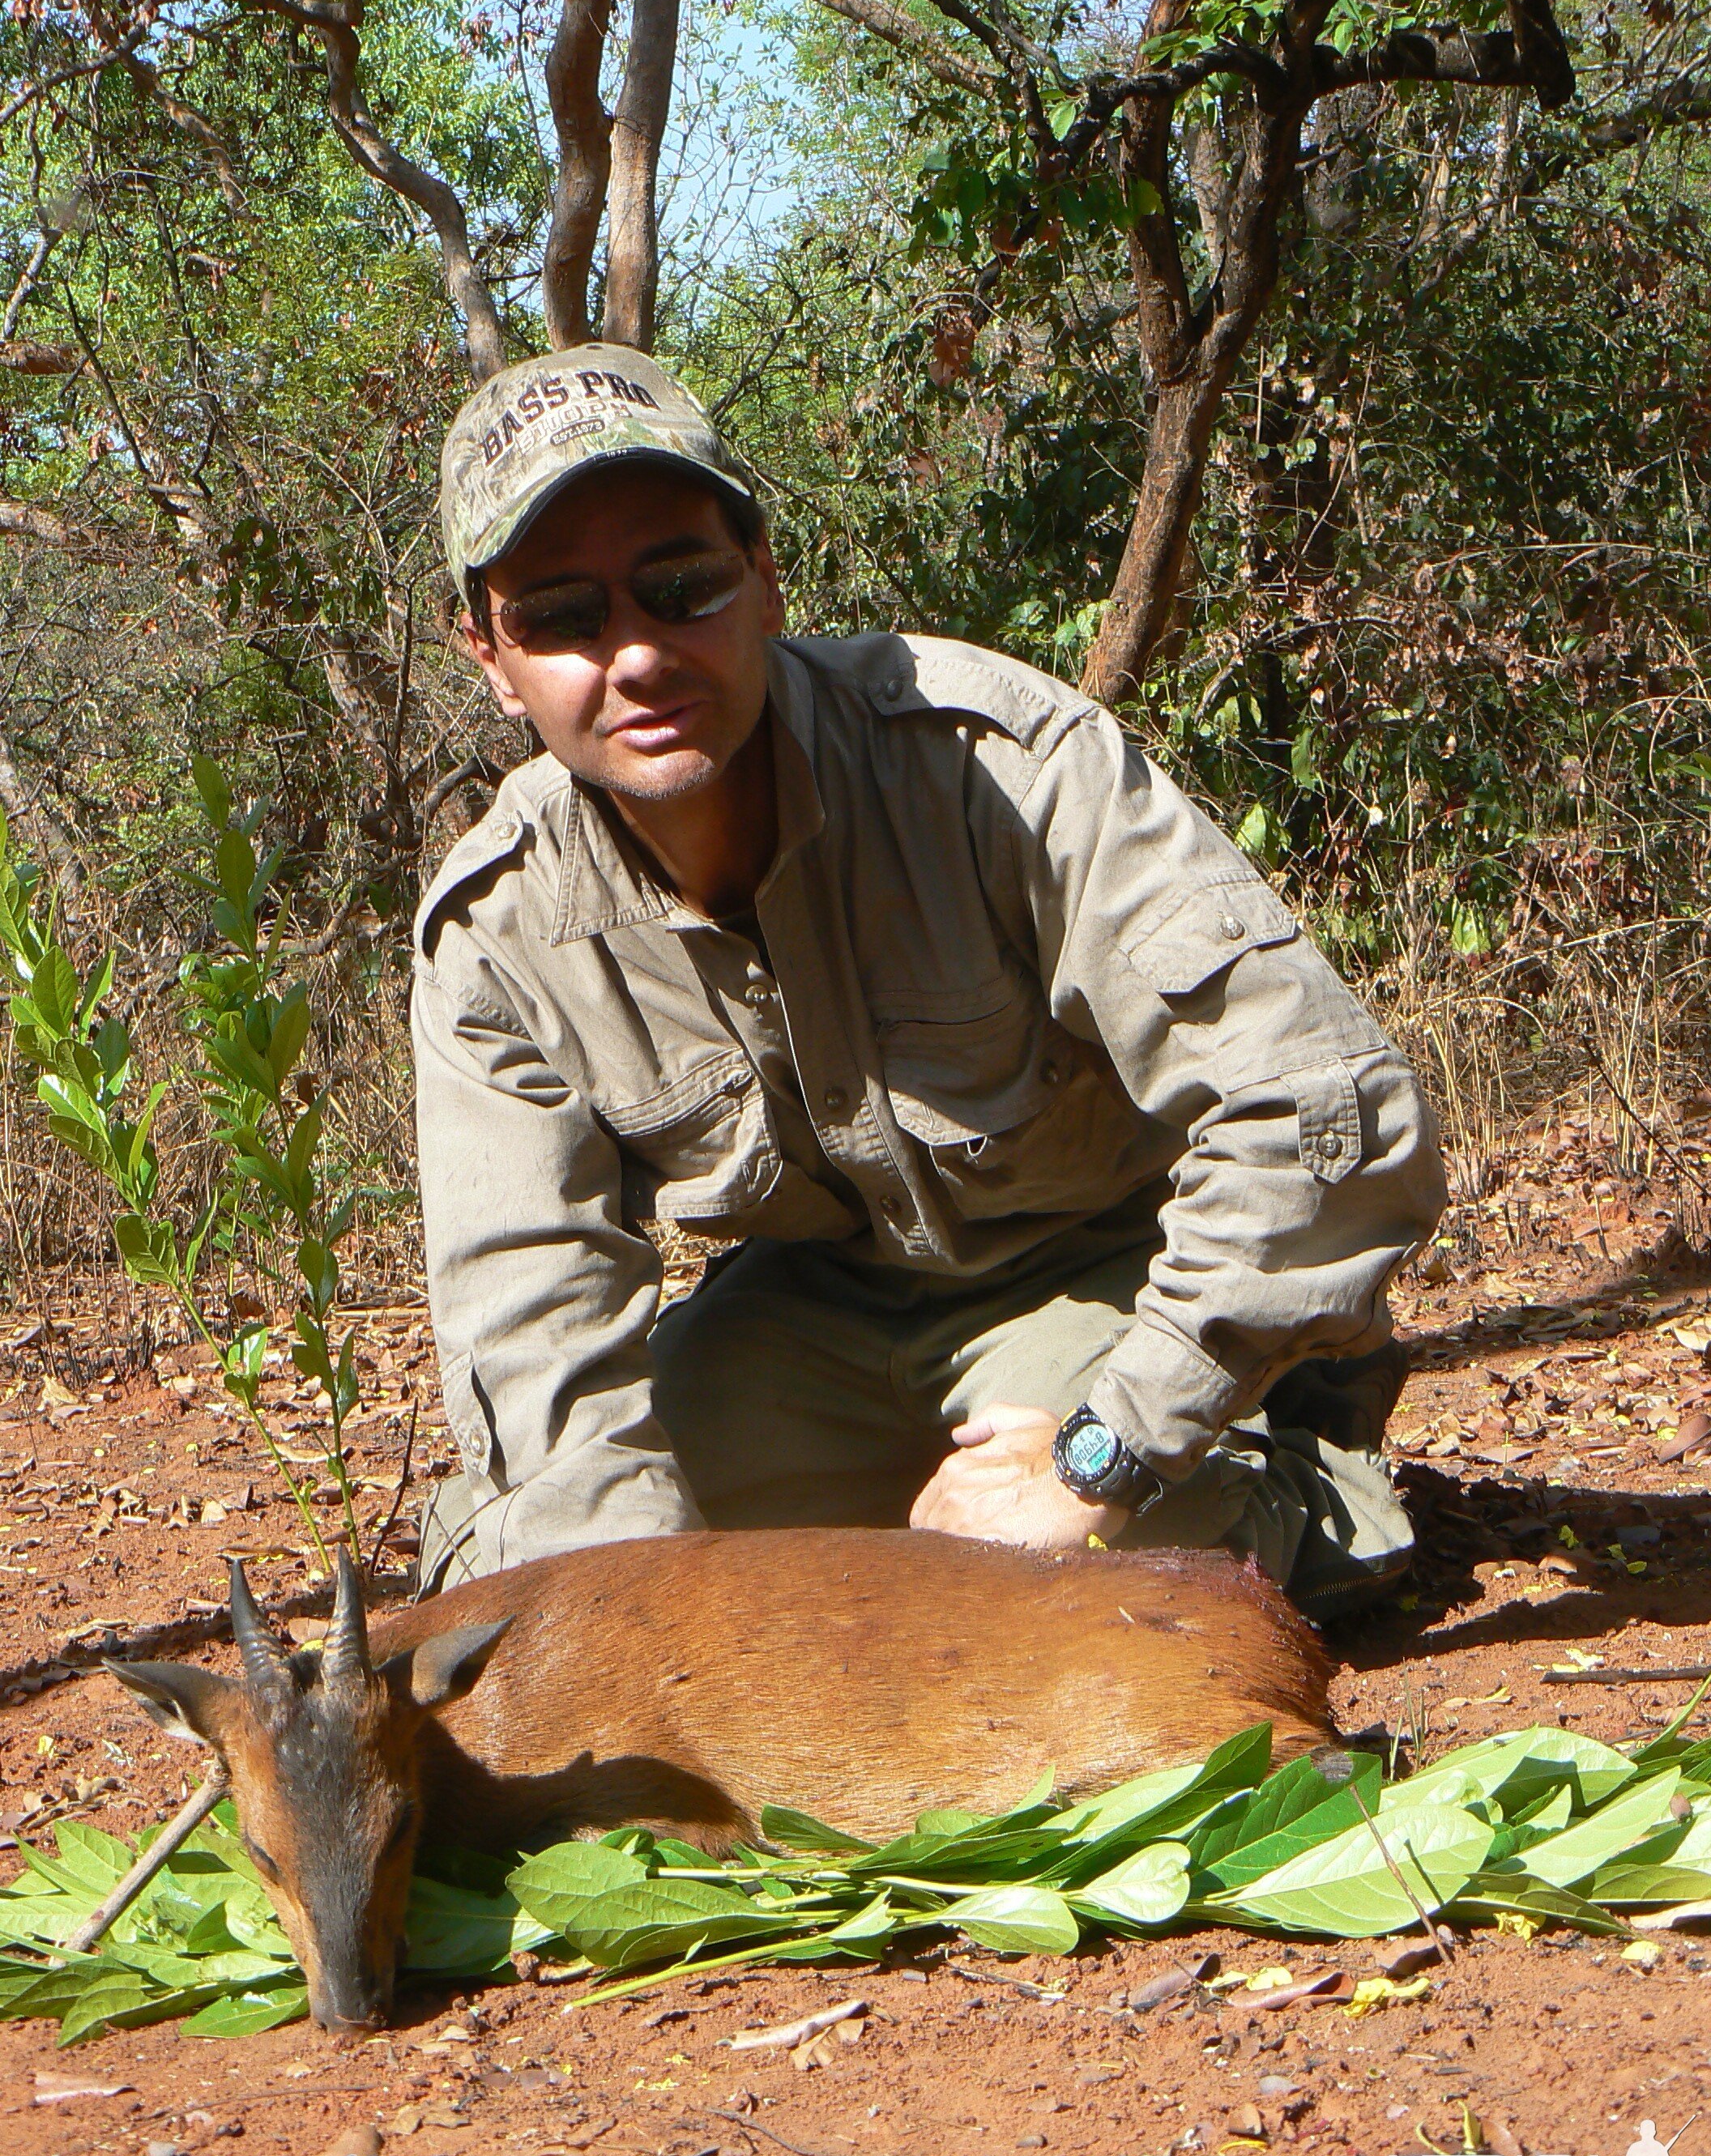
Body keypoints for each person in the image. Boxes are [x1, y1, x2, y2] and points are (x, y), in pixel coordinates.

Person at [413, 342, 1448, 1616]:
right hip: (813, 1318)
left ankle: (1299, 1472)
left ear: (766, 581)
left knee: (1086, 1575)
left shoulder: (996, 766)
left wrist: (1099, 1457)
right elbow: (533, 1339)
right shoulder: (495, 935)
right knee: (523, 1566)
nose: (633, 655)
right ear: (489, 655)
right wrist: (667, 1644)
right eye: (564, 616)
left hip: (1097, 1262)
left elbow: (1328, 1115)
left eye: (681, 586)